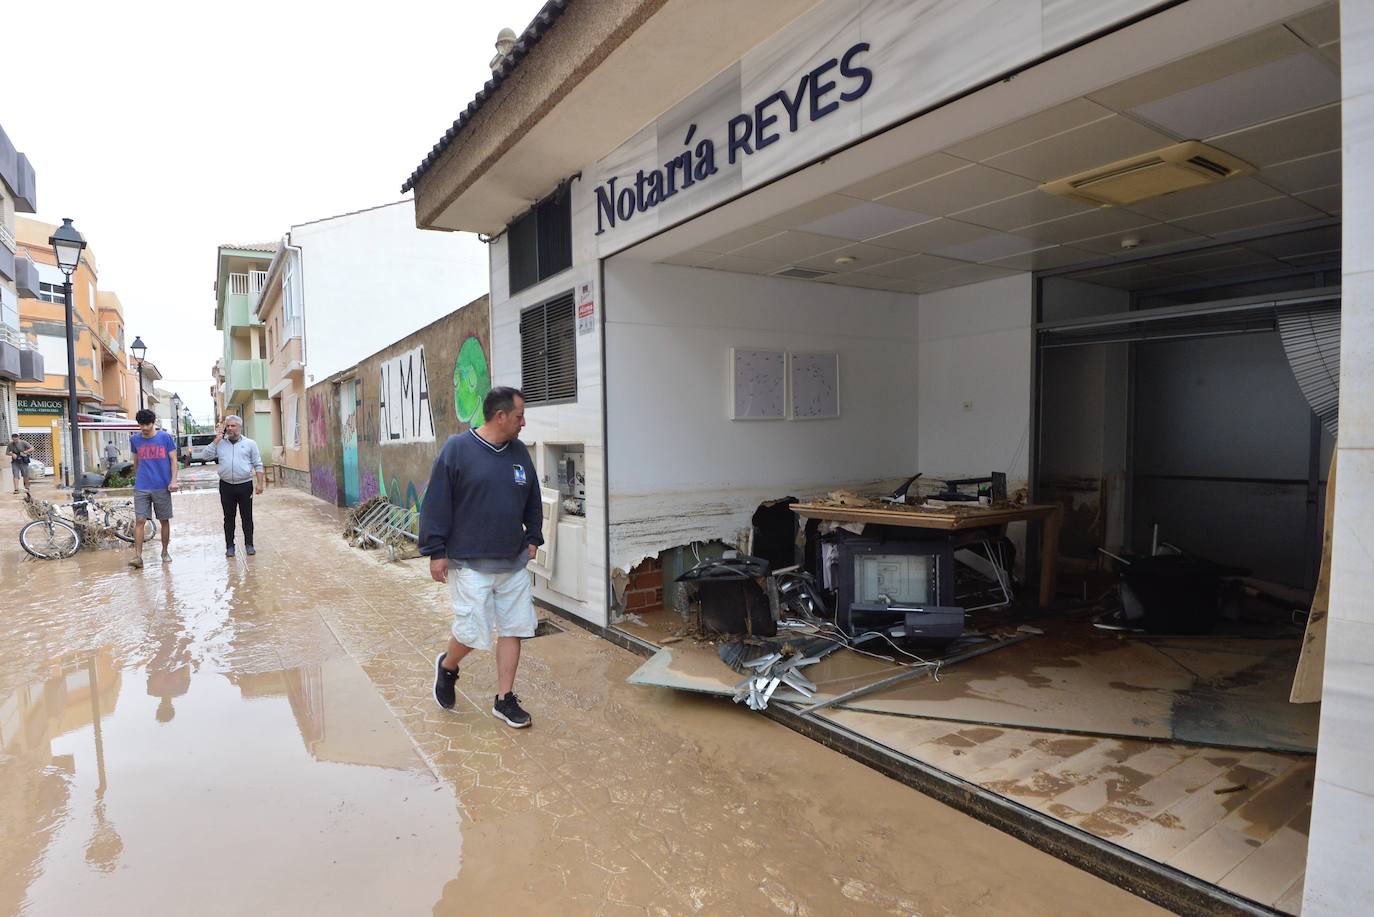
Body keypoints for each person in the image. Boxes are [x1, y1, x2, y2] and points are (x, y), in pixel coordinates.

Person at [419, 386, 543, 729]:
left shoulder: (519, 452)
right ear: (500, 416)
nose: (523, 423)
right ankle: (448, 665)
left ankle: (505, 699)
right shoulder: (458, 450)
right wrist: (435, 551)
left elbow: (532, 496)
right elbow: (436, 502)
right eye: (519, 416)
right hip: (469, 561)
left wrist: (533, 536)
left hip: (512, 560)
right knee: (474, 631)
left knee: (515, 627)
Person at [129, 408, 178, 568]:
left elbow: (173, 460)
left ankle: (164, 552)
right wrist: (138, 478)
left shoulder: (165, 437)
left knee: (164, 520)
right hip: (142, 487)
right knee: (140, 520)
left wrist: (174, 481)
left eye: (147, 424)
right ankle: (138, 557)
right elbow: (136, 461)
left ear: (153, 422)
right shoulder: (135, 440)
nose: (144, 428)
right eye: (141, 425)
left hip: (162, 486)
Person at [210, 415, 264, 557]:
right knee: (228, 518)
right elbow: (205, 456)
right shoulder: (220, 443)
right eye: (228, 426)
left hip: (245, 485)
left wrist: (259, 483)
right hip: (226, 486)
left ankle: (249, 544)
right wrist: (216, 440)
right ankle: (230, 546)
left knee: (247, 517)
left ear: (240, 427)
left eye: (233, 426)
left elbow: (258, 464)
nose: (230, 428)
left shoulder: (250, 443)